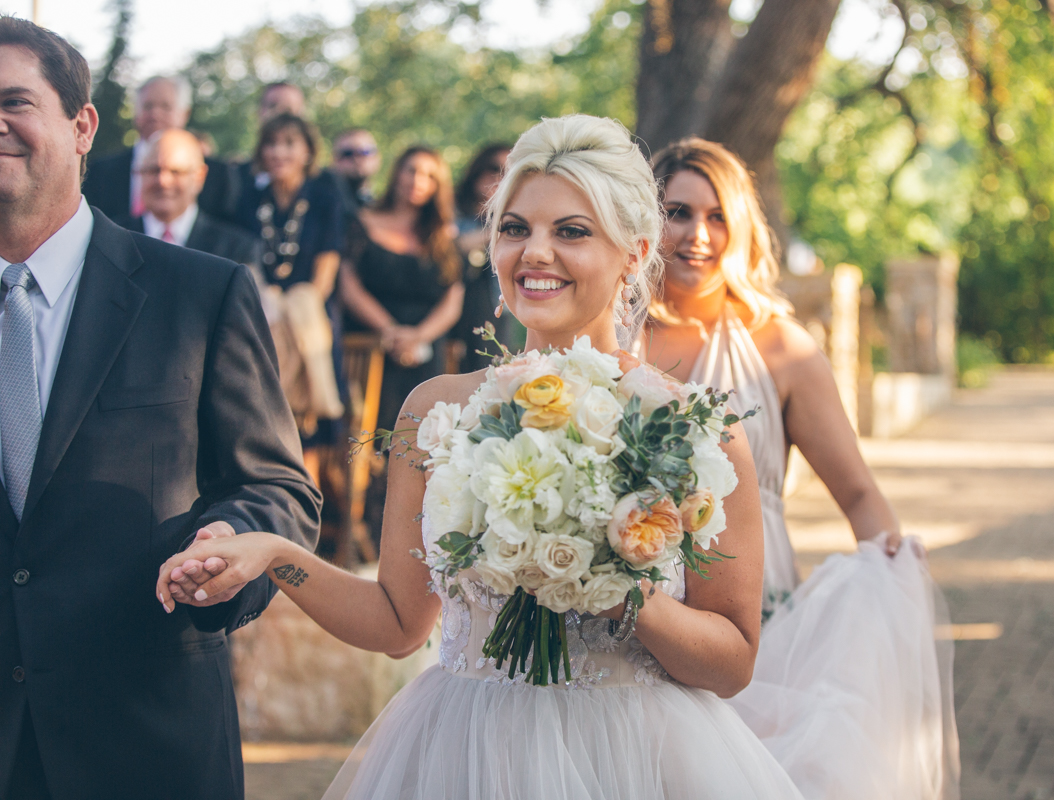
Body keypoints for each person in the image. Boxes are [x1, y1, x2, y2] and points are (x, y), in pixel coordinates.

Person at [156, 114, 804, 799]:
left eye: (572, 231)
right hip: (469, 751)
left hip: (635, 757)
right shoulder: (436, 411)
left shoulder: (694, 430)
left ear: (634, 251)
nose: (535, 254)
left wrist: (614, 584)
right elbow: (398, 623)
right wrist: (270, 555)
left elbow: (733, 663)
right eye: (516, 228)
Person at [0, 17, 320, 799]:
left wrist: (232, 544)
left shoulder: (201, 292)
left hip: (141, 737)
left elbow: (280, 489)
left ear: (82, 128)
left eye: (14, 101)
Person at [644, 137, 959, 798]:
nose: (697, 234)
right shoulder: (609, 338)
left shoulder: (781, 348)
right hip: (634, 614)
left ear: (740, 230)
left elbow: (856, 489)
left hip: (756, 617)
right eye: (677, 212)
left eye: (717, 216)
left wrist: (888, 564)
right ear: (647, 218)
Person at [232, 113, 346, 486]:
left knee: (307, 437)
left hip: (309, 317)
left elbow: (326, 271)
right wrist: (267, 304)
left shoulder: (325, 198)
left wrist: (298, 307)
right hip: (261, 314)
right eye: (271, 143)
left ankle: (302, 508)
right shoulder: (249, 198)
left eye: (289, 143)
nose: (279, 151)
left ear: (307, 151)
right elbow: (245, 260)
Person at [340, 145, 464, 433]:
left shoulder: (444, 236)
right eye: (412, 170)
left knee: (423, 433)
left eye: (429, 176)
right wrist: (392, 332)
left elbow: (452, 300)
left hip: (426, 348)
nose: (418, 180)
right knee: (367, 432)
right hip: (369, 344)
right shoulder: (361, 223)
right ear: (397, 172)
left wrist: (418, 337)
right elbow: (349, 286)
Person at [82, 74, 237, 224]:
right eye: (148, 106)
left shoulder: (218, 174)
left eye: (166, 106)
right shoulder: (100, 172)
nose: (155, 114)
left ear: (185, 113)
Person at [119, 128, 259, 266]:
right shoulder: (114, 241)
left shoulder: (235, 250)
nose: (163, 181)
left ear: (199, 177)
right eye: (153, 170)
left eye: (176, 172)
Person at [452, 142, 515, 373]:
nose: (500, 177)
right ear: (477, 171)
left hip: (495, 308)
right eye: (494, 168)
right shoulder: (453, 210)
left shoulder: (517, 214)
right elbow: (456, 244)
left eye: (510, 172)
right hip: (453, 308)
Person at [329, 128, 381, 212]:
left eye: (365, 152)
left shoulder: (383, 209)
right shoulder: (320, 203)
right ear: (334, 160)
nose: (357, 159)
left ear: (377, 158)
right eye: (348, 153)